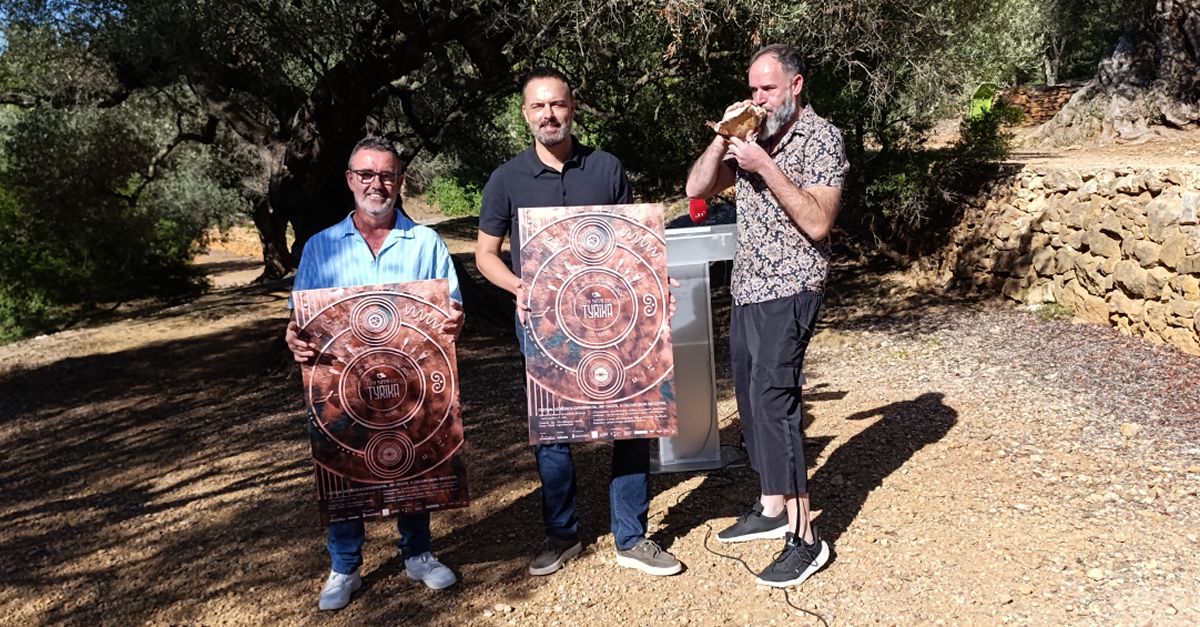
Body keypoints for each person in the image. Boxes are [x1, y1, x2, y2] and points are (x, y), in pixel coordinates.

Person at [474, 67, 682, 578]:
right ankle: (562, 534)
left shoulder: (606, 167)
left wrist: (655, 282)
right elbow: (485, 255)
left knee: (631, 423)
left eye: (558, 104)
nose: (549, 114)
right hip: (543, 324)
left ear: (572, 108)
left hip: (612, 317)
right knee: (553, 431)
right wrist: (519, 287)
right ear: (525, 113)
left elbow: (630, 241)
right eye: (538, 106)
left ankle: (631, 536)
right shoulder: (506, 179)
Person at [684, 44, 849, 587]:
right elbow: (695, 189)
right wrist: (724, 137)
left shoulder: (821, 137)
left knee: (776, 404)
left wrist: (765, 167)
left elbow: (819, 222)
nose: (759, 98)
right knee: (753, 402)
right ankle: (772, 504)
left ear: (796, 85)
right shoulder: (753, 135)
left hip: (793, 284)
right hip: (749, 286)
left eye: (768, 89)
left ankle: (807, 538)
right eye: (753, 88)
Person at [285, 135, 465, 610]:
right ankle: (345, 567)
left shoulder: (426, 242)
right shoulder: (320, 247)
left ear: (400, 181)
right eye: (366, 174)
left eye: (387, 175)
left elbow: (451, 309)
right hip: (342, 386)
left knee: (413, 459)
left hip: (410, 383)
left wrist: (455, 319)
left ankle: (418, 554)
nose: (377, 184)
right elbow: (301, 319)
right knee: (343, 467)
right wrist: (294, 337)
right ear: (350, 180)